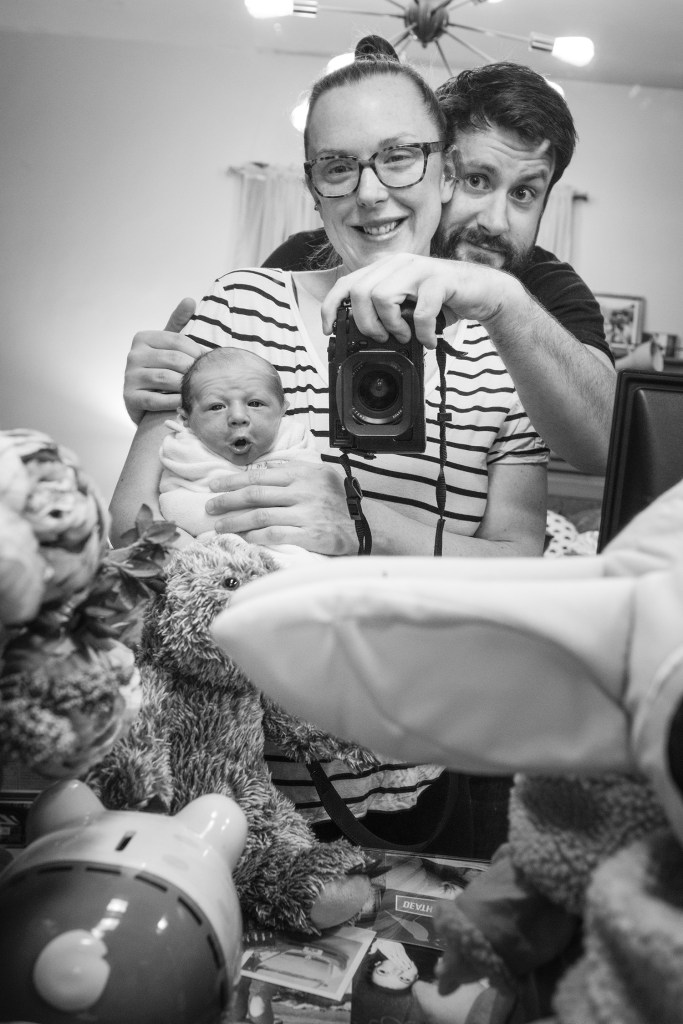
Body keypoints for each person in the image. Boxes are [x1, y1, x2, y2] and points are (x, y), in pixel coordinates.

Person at [111, 42, 548, 857]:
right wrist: (154, 421)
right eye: (337, 167)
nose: (369, 191)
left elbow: (521, 567)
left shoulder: (503, 355)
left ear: (445, 173)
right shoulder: (240, 306)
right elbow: (132, 533)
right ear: (312, 187)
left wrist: (362, 524)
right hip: (225, 772)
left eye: (399, 156)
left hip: (418, 766)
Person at [264, 61, 616, 477]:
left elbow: (609, 444)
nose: (495, 222)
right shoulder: (312, 255)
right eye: (477, 181)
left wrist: (504, 302)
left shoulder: (548, 285)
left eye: (524, 193)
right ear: (441, 173)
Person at [158, 346, 323, 566]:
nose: (237, 416)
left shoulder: (293, 438)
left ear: (282, 410)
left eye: (255, 404)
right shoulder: (184, 450)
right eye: (216, 407)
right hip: (221, 560)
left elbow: (317, 498)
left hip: (299, 557)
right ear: (186, 418)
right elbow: (174, 506)